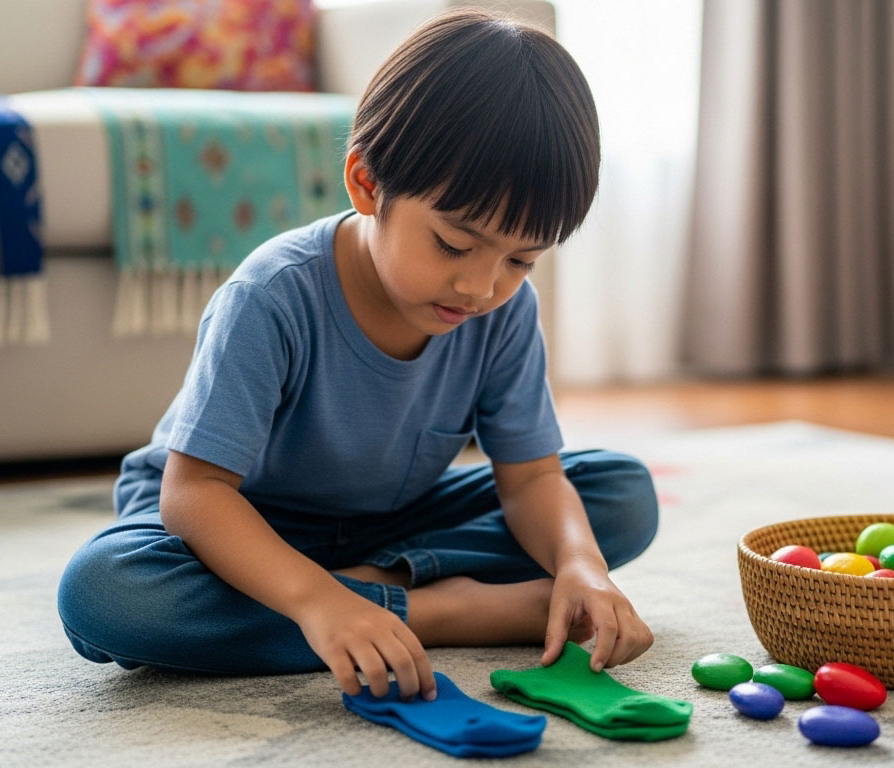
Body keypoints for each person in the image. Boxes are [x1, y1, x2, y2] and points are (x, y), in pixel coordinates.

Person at [57, 7, 659, 704]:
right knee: (105, 594)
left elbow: (530, 481)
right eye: (454, 245)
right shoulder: (271, 296)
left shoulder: (501, 312)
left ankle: (371, 591)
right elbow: (194, 496)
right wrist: (317, 601)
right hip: (236, 521)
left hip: (390, 524)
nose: (480, 286)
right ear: (368, 184)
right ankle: (441, 612)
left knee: (621, 496)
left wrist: (582, 565)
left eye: (520, 258)